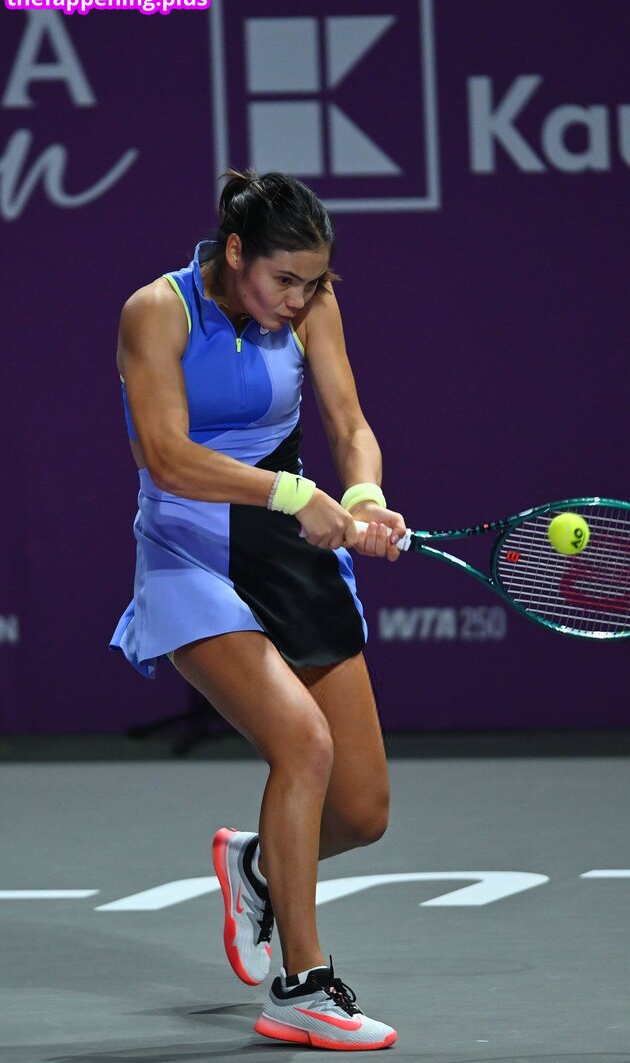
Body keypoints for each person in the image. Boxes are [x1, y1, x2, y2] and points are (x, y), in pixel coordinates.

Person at [110, 170, 404, 1050]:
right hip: (189, 551)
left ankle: (256, 865)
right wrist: (293, 493)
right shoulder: (155, 312)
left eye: (313, 282)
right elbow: (166, 456)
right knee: (303, 744)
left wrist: (362, 493)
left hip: (288, 549)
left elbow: (348, 422)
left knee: (361, 812)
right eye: (284, 280)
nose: (298, 299)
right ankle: (300, 988)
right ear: (234, 253)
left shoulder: (312, 305)